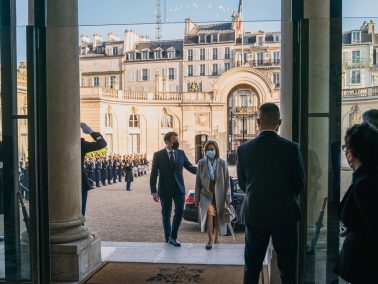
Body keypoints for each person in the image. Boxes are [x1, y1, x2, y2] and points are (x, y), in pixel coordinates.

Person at [237, 103, 306, 284]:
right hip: (285, 214)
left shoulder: (244, 149)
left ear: (258, 121)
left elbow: (243, 184)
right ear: (279, 122)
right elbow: (299, 183)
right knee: (288, 268)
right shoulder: (292, 148)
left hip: (256, 212)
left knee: (251, 266)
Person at [334, 123, 378, 283]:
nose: (345, 152)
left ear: (352, 152)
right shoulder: (367, 176)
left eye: (345, 147)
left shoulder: (364, 183)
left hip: (365, 266)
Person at [150, 131, 197, 247]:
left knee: (180, 212)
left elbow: (190, 167)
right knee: (166, 214)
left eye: (177, 139)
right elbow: (153, 174)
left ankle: (173, 236)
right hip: (164, 189)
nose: (177, 141)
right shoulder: (158, 155)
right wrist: (154, 191)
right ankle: (168, 238)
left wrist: (204, 170)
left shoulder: (181, 153)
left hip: (179, 189)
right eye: (175, 140)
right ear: (167, 142)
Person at [195, 140, 231, 250]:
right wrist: (196, 198)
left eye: (212, 149)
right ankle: (210, 239)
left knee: (218, 218)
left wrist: (228, 198)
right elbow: (198, 182)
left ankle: (216, 238)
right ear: (205, 151)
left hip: (219, 194)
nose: (210, 151)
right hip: (206, 194)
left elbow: (227, 181)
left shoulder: (222, 163)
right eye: (208, 149)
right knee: (210, 215)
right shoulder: (201, 163)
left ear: (216, 150)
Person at [81, 122, 107, 216]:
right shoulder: (80, 143)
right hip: (79, 182)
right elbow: (102, 143)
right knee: (80, 212)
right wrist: (91, 132)